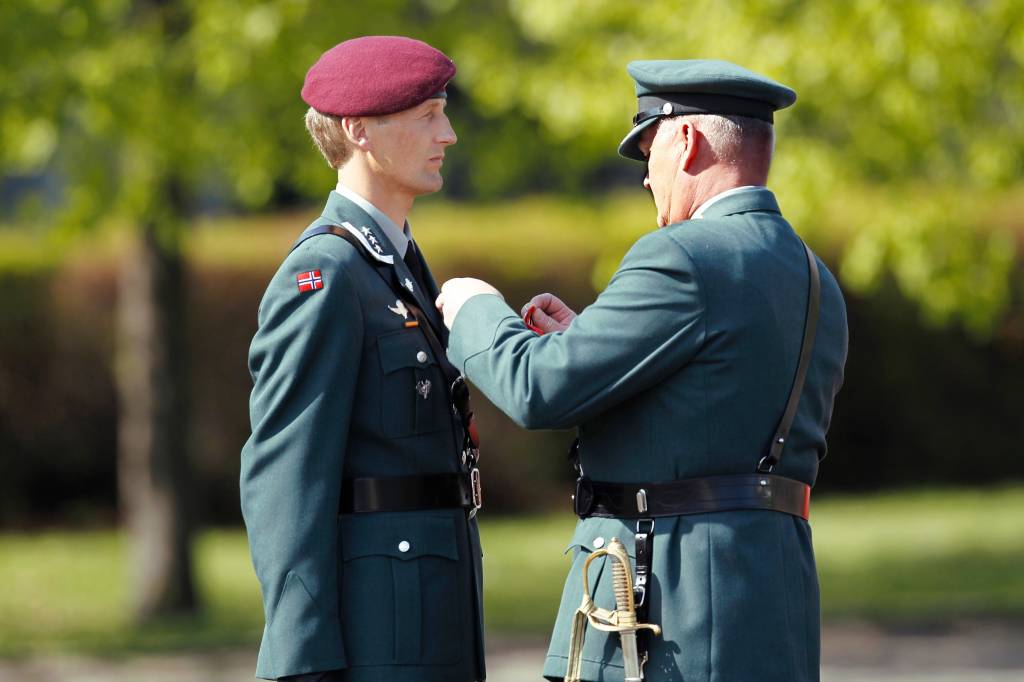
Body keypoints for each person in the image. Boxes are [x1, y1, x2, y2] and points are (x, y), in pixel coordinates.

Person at [436, 59, 848, 682]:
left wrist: (474, 309)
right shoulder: (814, 275)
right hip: (772, 595)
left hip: (673, 599)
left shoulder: (683, 255)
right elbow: (717, 400)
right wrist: (592, 342)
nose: (647, 181)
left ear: (686, 141)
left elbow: (537, 389)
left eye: (648, 150)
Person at [240, 36, 485, 682]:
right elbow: (284, 479)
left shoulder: (395, 265)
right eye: (428, 115)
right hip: (378, 635)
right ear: (360, 131)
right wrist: (302, 659)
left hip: (428, 625)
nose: (449, 134)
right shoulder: (326, 273)